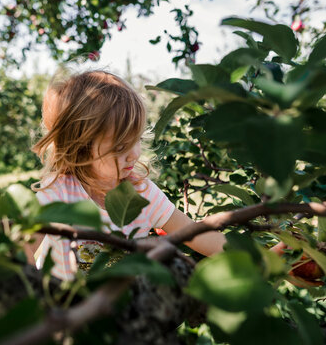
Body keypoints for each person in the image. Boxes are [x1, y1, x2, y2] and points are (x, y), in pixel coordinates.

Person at [30, 69, 226, 281]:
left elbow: (194, 233)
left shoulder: (141, 193)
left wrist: (258, 258)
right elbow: (20, 249)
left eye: (138, 139)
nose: (134, 154)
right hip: (66, 308)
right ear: (81, 147)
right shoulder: (59, 193)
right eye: (120, 146)